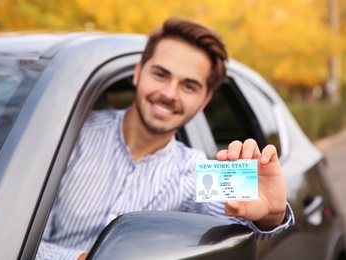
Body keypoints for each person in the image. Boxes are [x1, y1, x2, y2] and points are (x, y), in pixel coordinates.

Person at [36, 17, 294, 260]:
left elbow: (250, 218)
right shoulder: (69, 135)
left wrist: (271, 214)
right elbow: (13, 236)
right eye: (160, 75)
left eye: (188, 86)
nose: (169, 93)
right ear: (138, 73)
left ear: (204, 101)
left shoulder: (193, 171)